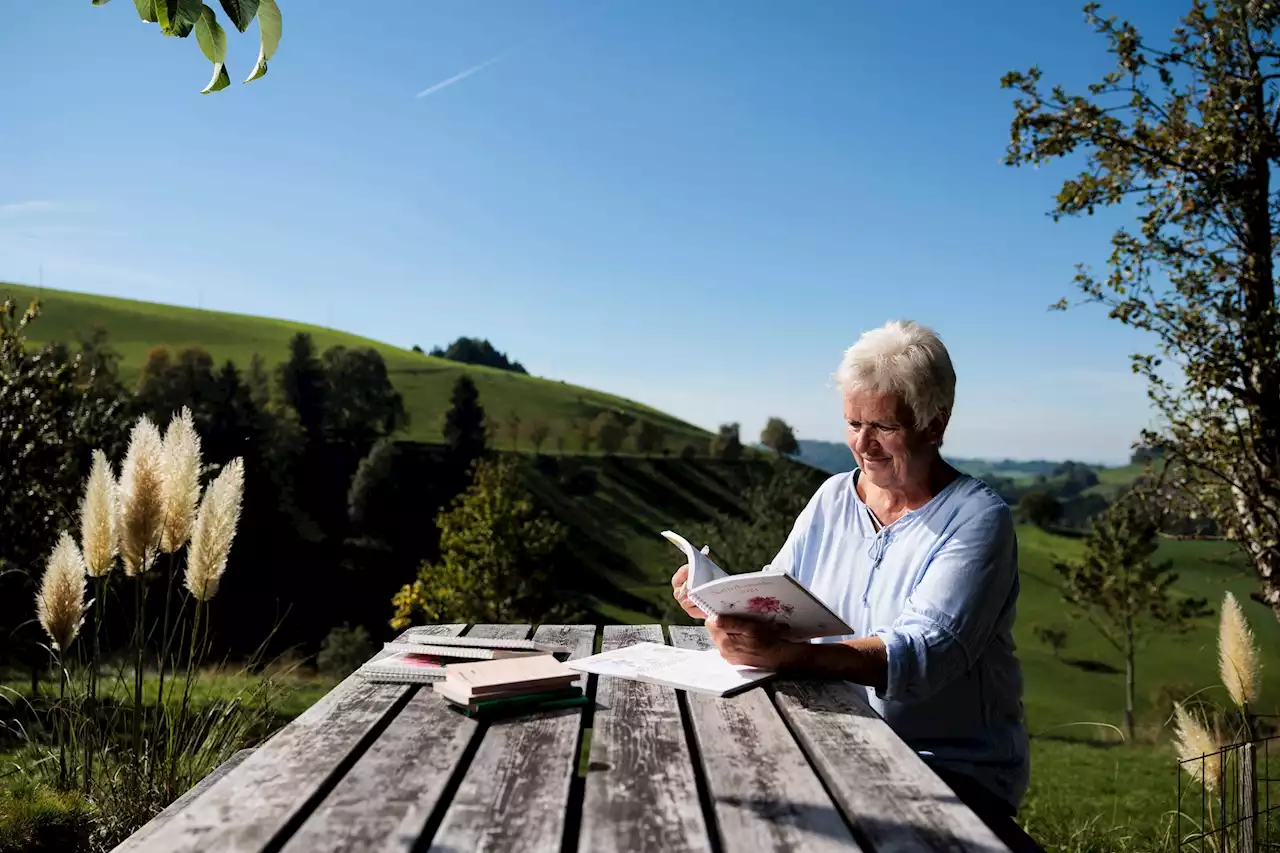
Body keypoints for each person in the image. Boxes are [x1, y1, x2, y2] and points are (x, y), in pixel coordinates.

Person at [672, 319, 1036, 848]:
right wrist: (718, 598)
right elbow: (779, 599)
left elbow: (921, 655)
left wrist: (788, 656)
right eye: (852, 423)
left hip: (945, 771)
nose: (863, 445)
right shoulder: (833, 498)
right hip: (832, 738)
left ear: (935, 424)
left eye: (884, 427)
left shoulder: (979, 519)